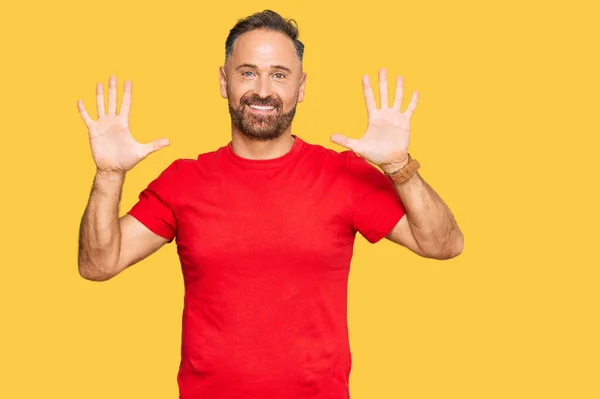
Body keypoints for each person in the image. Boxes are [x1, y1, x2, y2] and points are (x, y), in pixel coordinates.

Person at [76, 9, 463, 399]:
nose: (263, 89)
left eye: (279, 74)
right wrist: (109, 174)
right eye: (247, 72)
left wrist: (400, 166)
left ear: (301, 86)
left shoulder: (342, 175)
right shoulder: (183, 181)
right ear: (223, 81)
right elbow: (98, 264)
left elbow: (443, 244)